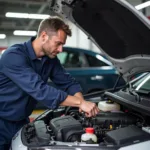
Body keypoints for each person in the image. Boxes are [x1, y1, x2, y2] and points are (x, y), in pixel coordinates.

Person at [0, 16, 99, 149]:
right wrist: (81, 103)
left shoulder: (50, 60)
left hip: (21, 122)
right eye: (58, 43)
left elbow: (68, 83)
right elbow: (41, 90)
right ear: (44, 36)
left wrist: (80, 103)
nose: (60, 50)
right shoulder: (14, 56)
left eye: (62, 45)